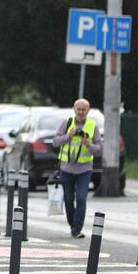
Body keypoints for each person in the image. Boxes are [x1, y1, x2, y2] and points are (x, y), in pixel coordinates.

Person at [51, 98, 101, 238]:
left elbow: (98, 149)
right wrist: (68, 136)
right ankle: (72, 223)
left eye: (83, 109)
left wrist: (88, 144)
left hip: (84, 170)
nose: (81, 112)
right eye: (78, 109)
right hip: (66, 168)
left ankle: (77, 228)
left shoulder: (92, 126)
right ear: (74, 109)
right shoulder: (67, 123)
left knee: (81, 198)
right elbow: (55, 141)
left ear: (88, 110)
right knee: (68, 198)